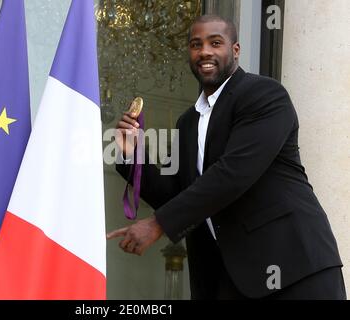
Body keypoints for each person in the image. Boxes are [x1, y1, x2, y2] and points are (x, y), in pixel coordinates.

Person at [108, 15, 346, 300]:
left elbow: (232, 174)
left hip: (294, 270)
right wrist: (132, 157)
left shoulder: (264, 95)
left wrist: (158, 224)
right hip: (226, 281)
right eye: (196, 44)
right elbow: (176, 195)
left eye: (215, 42)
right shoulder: (188, 122)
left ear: (235, 50)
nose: (205, 51)